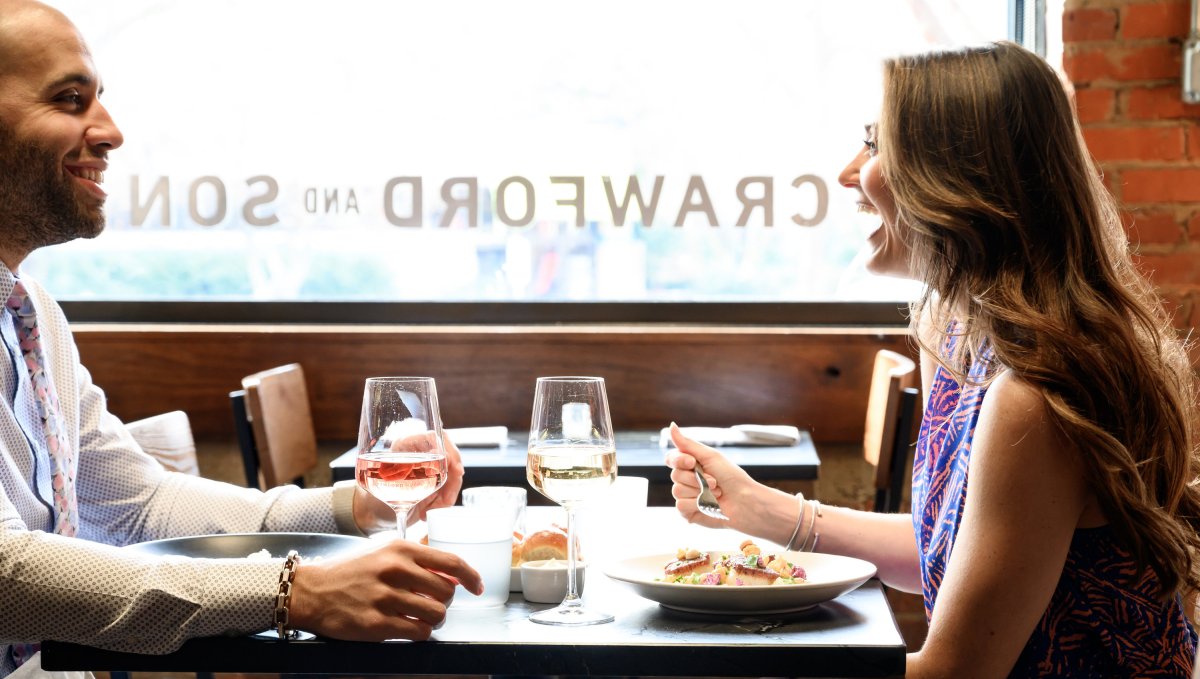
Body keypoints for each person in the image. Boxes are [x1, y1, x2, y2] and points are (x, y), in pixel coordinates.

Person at [666, 41, 1200, 678]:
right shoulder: (954, 337)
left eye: (875, 142)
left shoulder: (1033, 396)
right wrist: (770, 512)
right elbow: (948, 553)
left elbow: (956, 672)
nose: (847, 172)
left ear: (956, 176)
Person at [0, 2, 483, 676]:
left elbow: (140, 506)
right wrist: (291, 590)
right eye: (70, 99)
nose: (109, 131)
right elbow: (5, 573)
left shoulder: (32, 313)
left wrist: (350, 506)